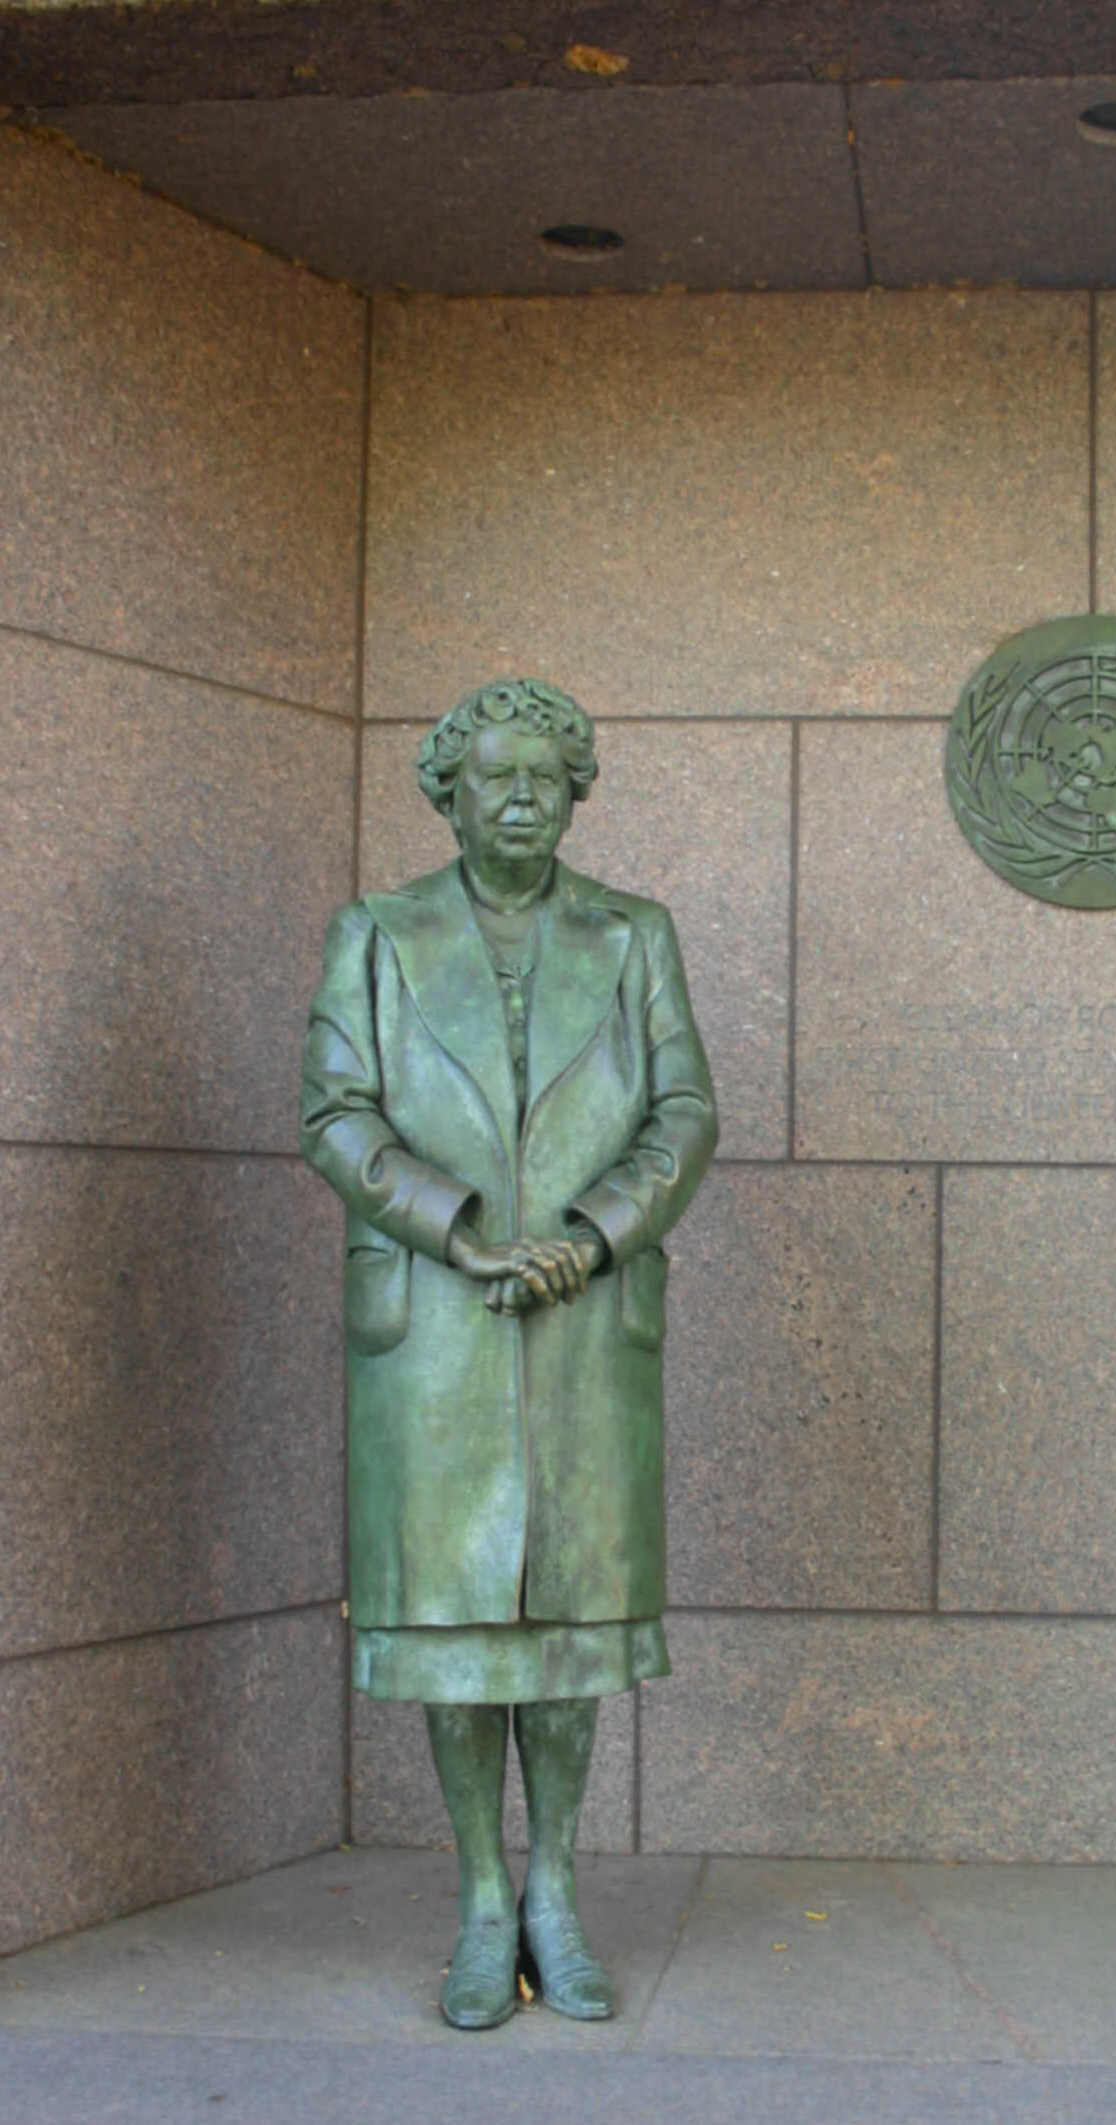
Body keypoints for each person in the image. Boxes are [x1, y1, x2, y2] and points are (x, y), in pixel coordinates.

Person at [300, 676, 716, 2030]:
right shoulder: (376, 933)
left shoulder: (634, 933)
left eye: (547, 772)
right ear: (451, 790)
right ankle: (483, 1896)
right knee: (464, 1620)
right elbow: (336, 1111)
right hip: (437, 1321)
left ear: (575, 789)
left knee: (573, 1618)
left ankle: (556, 1886)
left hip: (588, 1316)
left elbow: (684, 1110)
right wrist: (455, 1228)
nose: (523, 793)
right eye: (496, 775)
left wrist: (592, 1236)